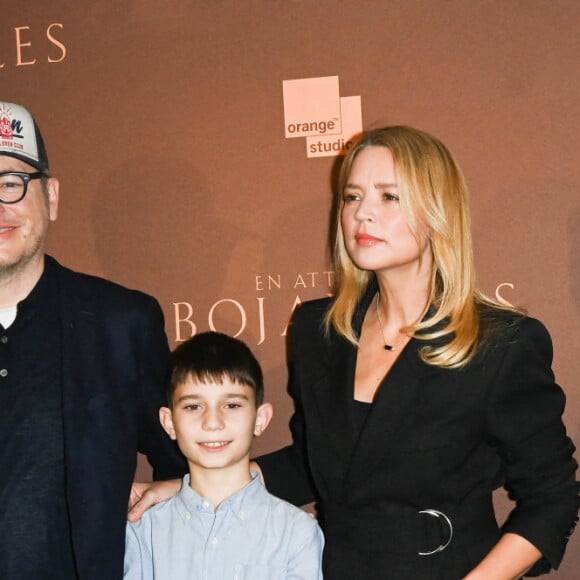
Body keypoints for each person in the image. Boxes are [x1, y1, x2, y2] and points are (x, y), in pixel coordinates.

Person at [252, 126, 580, 579]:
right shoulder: (318, 330)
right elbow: (310, 465)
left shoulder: (501, 344)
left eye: (389, 197)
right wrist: (196, 488)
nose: (362, 214)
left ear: (437, 211)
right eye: (352, 197)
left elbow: (554, 498)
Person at [0, 101, 186, 580]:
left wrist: (181, 485)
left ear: (52, 196)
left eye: (10, 184)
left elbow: (184, 464)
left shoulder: (122, 323)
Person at [124, 331, 324, 580]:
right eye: (193, 406)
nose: (212, 422)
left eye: (232, 405)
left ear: (260, 419)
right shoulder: (143, 530)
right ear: (169, 422)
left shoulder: (296, 532)